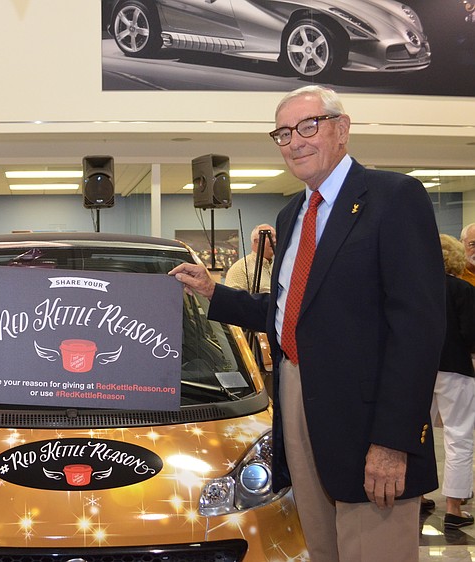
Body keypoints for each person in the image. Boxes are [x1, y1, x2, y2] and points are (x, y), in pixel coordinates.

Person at [169, 85, 445, 562]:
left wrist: (392, 442)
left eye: (308, 126)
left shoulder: (393, 197)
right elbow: (285, 312)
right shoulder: (292, 212)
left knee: (374, 549)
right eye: (283, 133)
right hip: (296, 398)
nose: (294, 141)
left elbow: (418, 330)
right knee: (322, 547)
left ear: (342, 128)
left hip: (367, 420)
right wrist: (213, 291)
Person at [430, 234, 475, 530]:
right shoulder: (463, 290)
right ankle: (453, 507)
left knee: (415, 434)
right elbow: (471, 334)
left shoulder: (418, 289)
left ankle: (418, 495)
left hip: (420, 370)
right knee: (459, 437)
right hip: (456, 369)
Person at [223, 223, 276, 292]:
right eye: (270, 236)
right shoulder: (240, 268)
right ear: (256, 241)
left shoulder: (278, 267)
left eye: (276, 237)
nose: (274, 240)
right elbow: (232, 300)